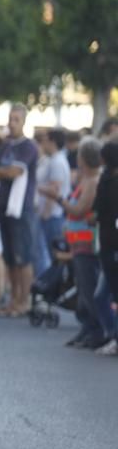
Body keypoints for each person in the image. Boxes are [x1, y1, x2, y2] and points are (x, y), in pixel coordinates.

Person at [40, 138, 107, 349]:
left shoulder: (93, 182)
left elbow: (79, 210)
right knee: (83, 289)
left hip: (87, 245)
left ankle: (97, 329)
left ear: (84, 159)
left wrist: (58, 198)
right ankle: (87, 328)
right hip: (78, 243)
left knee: (89, 288)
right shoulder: (86, 180)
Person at [0, 104, 39, 317]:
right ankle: (13, 299)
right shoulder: (5, 146)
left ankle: (24, 300)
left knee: (23, 257)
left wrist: (3, 172)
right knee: (9, 258)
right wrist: (3, 172)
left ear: (24, 121)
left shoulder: (29, 147)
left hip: (21, 208)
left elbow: (14, 171)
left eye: (16, 119)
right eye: (10, 118)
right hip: (4, 206)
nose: (12, 123)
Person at [35, 129, 71, 276]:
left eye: (46, 140)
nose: (44, 144)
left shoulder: (56, 161)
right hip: (53, 214)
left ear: (52, 142)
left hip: (53, 215)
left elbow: (54, 189)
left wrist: (46, 213)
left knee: (52, 254)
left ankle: (51, 289)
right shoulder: (56, 160)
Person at [94, 141, 118, 355]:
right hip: (109, 242)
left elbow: (97, 211)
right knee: (104, 294)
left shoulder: (107, 181)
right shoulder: (106, 179)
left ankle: (113, 335)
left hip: (109, 242)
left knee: (105, 294)